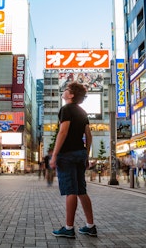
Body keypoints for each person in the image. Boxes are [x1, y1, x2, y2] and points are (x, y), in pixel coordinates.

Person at [50, 82, 97, 238]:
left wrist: (55, 154)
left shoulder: (66, 109)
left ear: (71, 95)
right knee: (81, 191)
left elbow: (63, 132)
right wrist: (87, 154)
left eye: (66, 90)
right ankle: (90, 226)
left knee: (71, 191)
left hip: (67, 154)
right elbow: (89, 136)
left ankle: (69, 228)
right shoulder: (82, 111)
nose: (64, 91)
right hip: (80, 153)